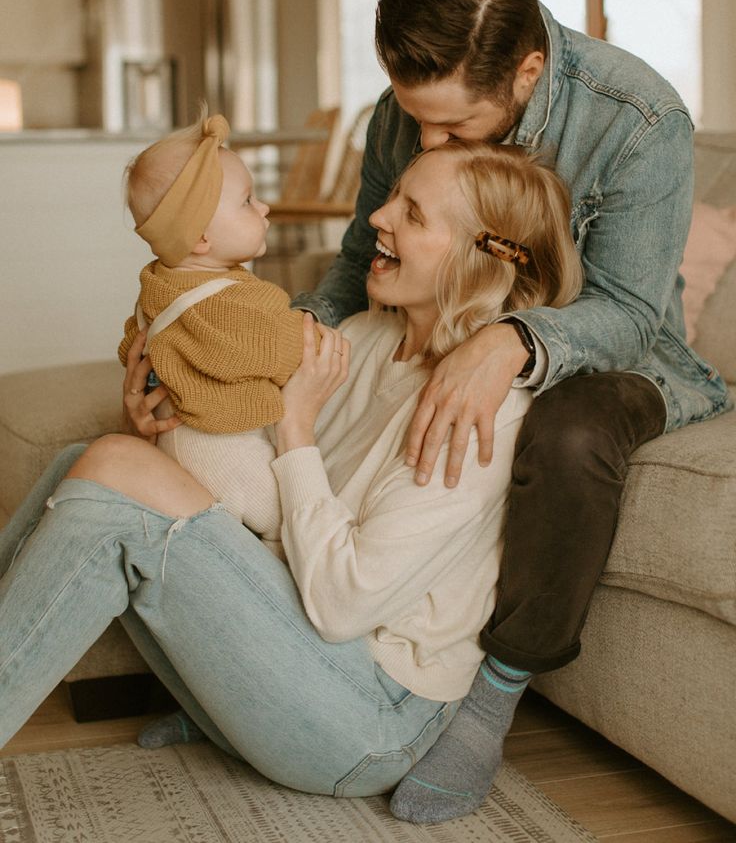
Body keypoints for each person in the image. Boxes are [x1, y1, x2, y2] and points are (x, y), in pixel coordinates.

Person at [279, 0, 732, 823]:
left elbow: (633, 311)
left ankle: (492, 695)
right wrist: (282, 341)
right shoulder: (402, 111)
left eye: (452, 130)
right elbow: (354, 264)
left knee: (564, 428)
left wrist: (511, 341)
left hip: (626, 355)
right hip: (465, 322)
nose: (427, 142)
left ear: (526, 73)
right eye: (417, 123)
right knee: (373, 368)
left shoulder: (639, 117)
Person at [0, 140, 582, 805]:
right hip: (297, 648)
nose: (375, 219)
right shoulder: (363, 338)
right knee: (88, 462)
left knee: (113, 470)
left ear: (476, 255)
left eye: (412, 213)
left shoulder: (485, 411)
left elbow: (341, 606)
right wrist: (157, 423)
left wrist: (297, 428)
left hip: (366, 719)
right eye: (392, 196)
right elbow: (239, 480)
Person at [118, 110, 307, 536]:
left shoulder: (157, 284)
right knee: (287, 523)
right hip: (225, 450)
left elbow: (131, 346)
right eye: (247, 201)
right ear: (201, 238)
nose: (264, 206)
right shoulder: (240, 301)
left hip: (172, 443)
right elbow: (285, 353)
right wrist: (320, 338)